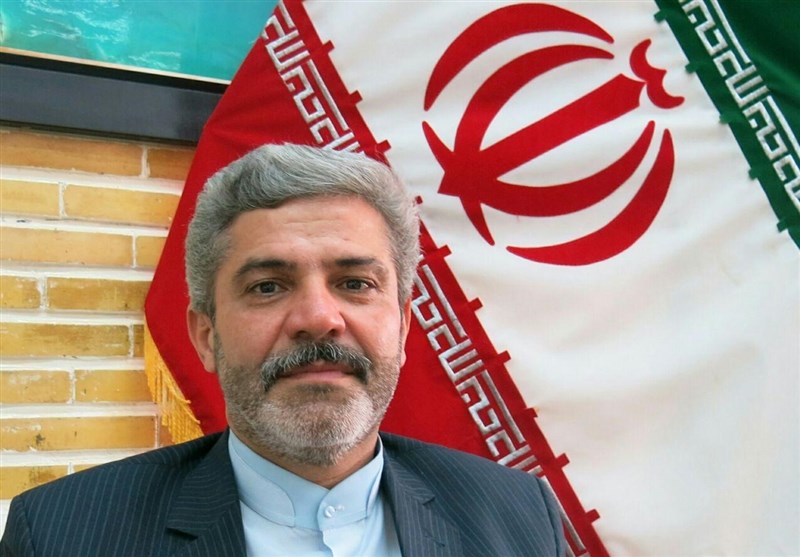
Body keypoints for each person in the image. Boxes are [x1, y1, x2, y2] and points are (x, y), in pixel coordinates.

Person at [0, 144, 565, 557]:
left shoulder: (517, 516)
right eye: (268, 286)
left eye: (355, 283)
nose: (318, 319)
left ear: (402, 330)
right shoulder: (61, 535)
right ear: (206, 336)